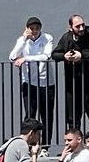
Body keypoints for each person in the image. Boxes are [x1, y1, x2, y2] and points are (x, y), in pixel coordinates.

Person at [50, 14, 89, 131]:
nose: (81, 29)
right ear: (70, 27)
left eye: (83, 25)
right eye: (77, 26)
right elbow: (54, 54)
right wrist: (64, 56)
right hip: (72, 85)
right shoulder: (66, 38)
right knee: (72, 119)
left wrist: (82, 56)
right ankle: (75, 146)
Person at [10, 16, 57, 144]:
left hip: (46, 83)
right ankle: (28, 144)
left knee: (46, 115)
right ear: (27, 29)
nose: (34, 31)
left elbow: (46, 56)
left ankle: (45, 145)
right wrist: (24, 40)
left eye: (37, 28)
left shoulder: (47, 38)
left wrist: (26, 59)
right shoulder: (22, 40)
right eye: (32, 28)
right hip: (29, 83)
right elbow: (12, 56)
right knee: (30, 115)